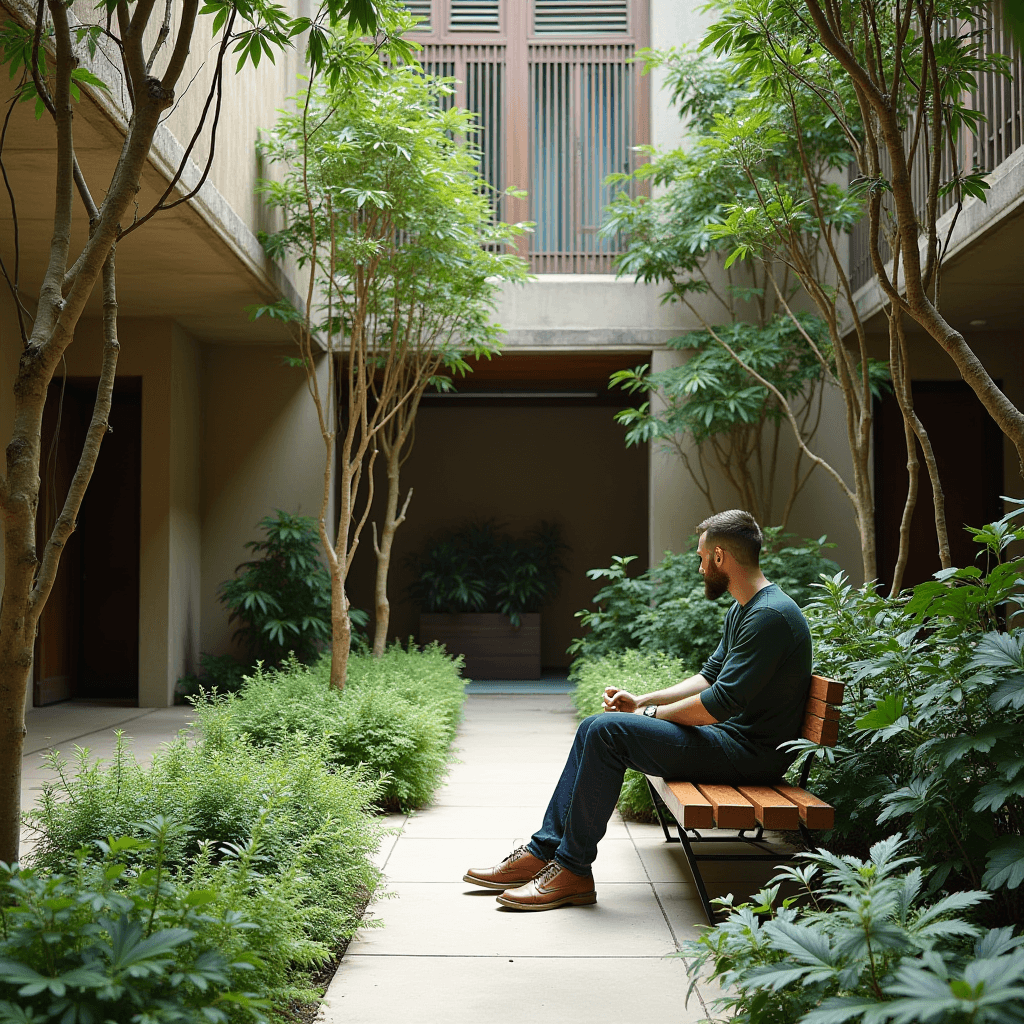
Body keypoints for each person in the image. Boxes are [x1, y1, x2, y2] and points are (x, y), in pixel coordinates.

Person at [462, 509, 813, 911]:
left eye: (700, 558)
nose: (699, 568)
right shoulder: (747, 608)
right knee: (597, 726)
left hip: (749, 756)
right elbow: (709, 676)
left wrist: (645, 718)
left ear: (720, 557)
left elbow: (717, 705)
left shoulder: (769, 615)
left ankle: (573, 870)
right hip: (732, 742)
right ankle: (545, 852)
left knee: (608, 732)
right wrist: (643, 701)